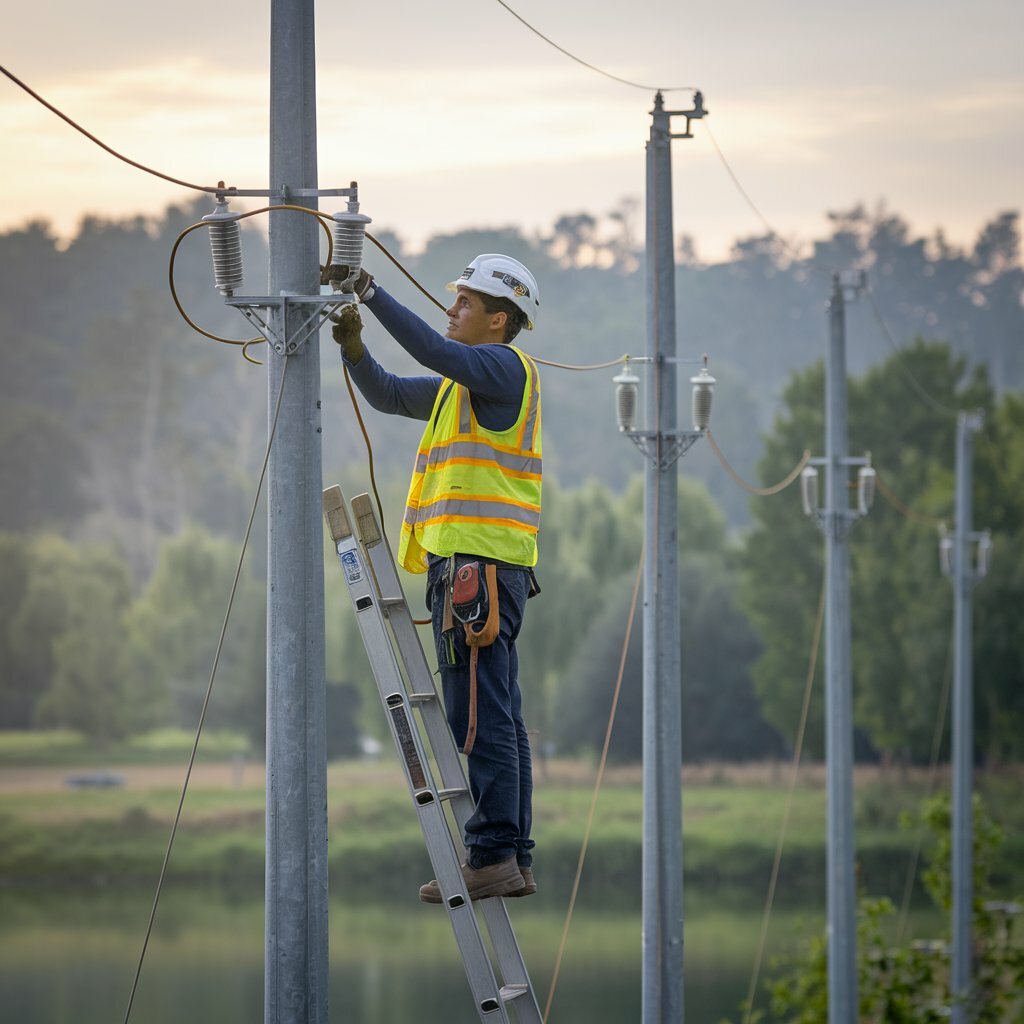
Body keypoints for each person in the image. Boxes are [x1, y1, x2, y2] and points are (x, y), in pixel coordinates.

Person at [331, 253, 543, 903]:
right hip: (475, 568)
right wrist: (356, 349)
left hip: (477, 568)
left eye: (465, 304)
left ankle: (491, 853)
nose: (451, 310)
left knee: (478, 714)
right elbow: (393, 393)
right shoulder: (464, 388)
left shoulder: (502, 368)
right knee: (497, 713)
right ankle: (510, 854)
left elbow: (429, 350)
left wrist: (369, 291)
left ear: (497, 319)